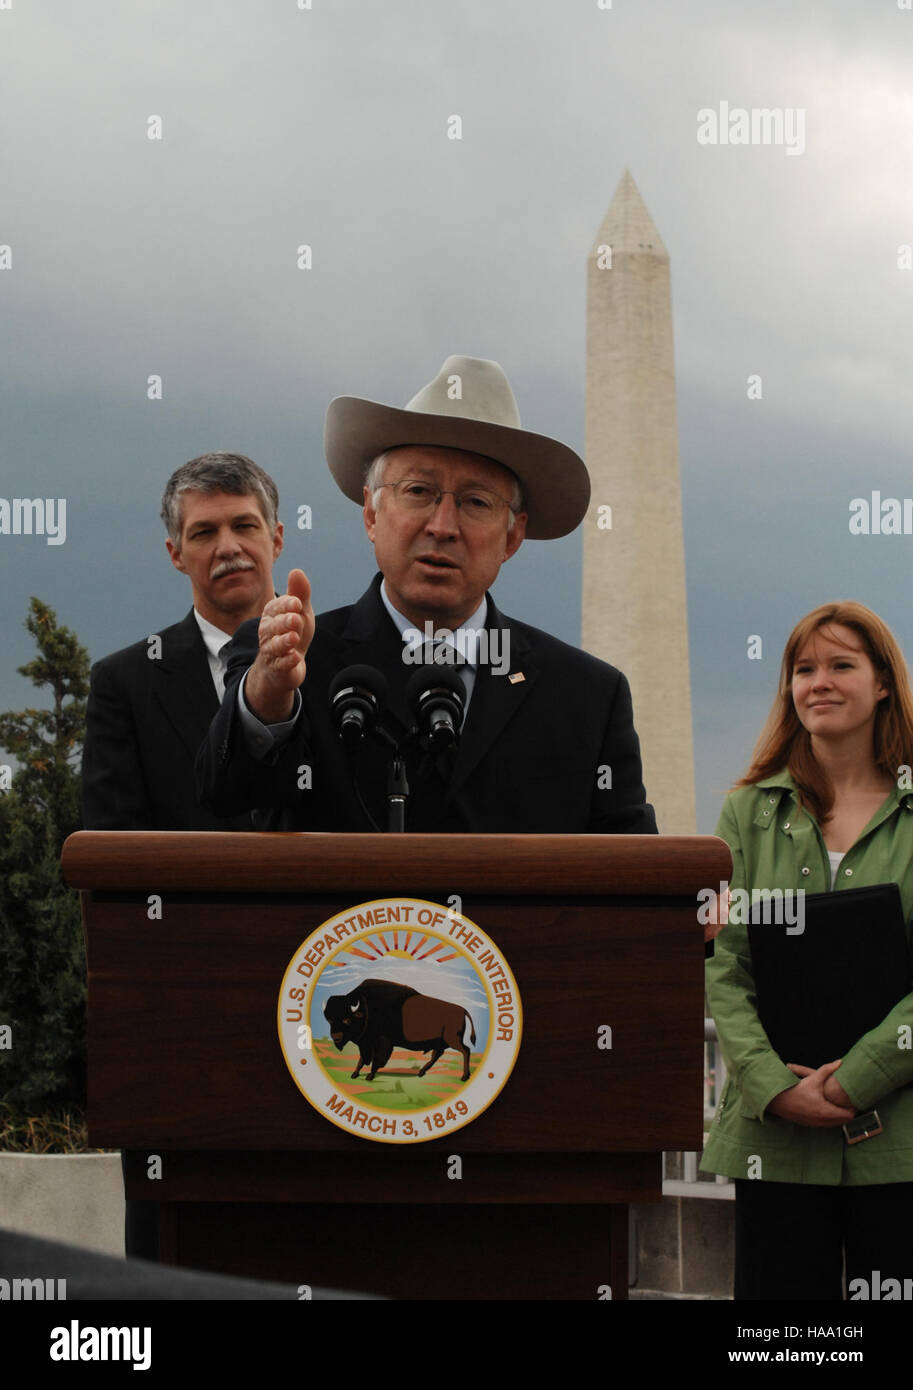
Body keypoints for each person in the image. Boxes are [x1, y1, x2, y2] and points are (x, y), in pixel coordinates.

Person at [198, 356, 656, 836]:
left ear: (512, 536)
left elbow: (633, 876)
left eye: (476, 502)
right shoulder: (289, 661)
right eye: (418, 491)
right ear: (372, 515)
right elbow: (223, 793)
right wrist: (268, 694)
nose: (442, 527)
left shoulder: (587, 696)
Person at [701, 601, 913, 1300]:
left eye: (840, 665)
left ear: (883, 682)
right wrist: (770, 1085)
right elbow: (722, 963)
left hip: (900, 1143)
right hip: (775, 1145)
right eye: (802, 668)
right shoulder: (744, 812)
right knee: (785, 1346)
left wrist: (859, 1076)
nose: (817, 681)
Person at [82, 452, 284, 831]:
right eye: (204, 533)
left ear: (277, 538)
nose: (227, 547)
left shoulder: (340, 663)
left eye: (244, 526)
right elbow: (111, 848)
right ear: (176, 554)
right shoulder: (124, 685)